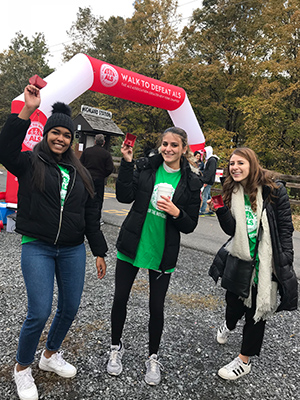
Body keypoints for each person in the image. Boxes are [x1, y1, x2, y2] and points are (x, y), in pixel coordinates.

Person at [0, 85, 108, 400]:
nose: (60, 138)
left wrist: (99, 250)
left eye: (66, 135)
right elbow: (4, 149)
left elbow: (91, 215)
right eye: (55, 133)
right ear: (47, 134)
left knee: (70, 306)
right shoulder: (30, 162)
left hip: (73, 248)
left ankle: (50, 355)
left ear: (72, 140)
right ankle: (22, 368)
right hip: (38, 246)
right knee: (39, 310)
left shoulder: (81, 173)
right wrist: (25, 111)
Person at [106, 127, 201, 385]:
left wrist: (176, 211)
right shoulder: (147, 168)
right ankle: (115, 348)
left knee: (156, 308)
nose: (168, 149)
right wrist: (126, 163)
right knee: (120, 299)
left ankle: (153, 356)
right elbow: (125, 196)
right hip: (133, 244)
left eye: (174, 145)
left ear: (184, 149)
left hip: (162, 252)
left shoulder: (191, 182)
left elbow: (190, 224)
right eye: (165, 144)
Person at [208, 147, 298, 381]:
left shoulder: (274, 191)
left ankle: (244, 360)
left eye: (240, 163)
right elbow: (231, 230)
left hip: (265, 263)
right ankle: (228, 325)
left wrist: (285, 257)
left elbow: (286, 228)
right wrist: (219, 210)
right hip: (239, 259)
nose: (234, 167)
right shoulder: (232, 190)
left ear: (252, 164)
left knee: (256, 313)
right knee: (232, 304)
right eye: (231, 163)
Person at [80, 134, 114, 222]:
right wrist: (103, 175)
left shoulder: (87, 151)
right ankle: (96, 219)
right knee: (98, 199)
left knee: (85, 197)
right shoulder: (106, 154)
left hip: (87, 178)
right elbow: (110, 168)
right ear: (103, 142)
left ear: (95, 141)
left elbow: (80, 164)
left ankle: (83, 216)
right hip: (99, 179)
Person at [199, 146, 219, 215]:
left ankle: (202, 210)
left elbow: (210, 172)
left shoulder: (212, 160)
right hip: (208, 180)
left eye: (205, 152)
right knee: (208, 196)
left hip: (208, 181)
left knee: (205, 195)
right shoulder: (209, 160)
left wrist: (206, 181)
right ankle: (213, 209)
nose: (204, 154)